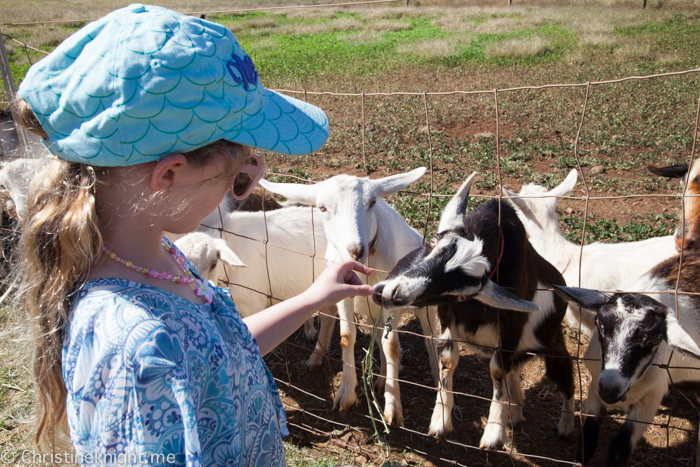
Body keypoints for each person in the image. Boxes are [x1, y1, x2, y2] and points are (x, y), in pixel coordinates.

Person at [12, 4, 374, 466]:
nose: (243, 183)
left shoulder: (155, 256)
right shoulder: (135, 348)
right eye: (236, 178)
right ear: (170, 175)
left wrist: (312, 297)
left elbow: (215, 353)